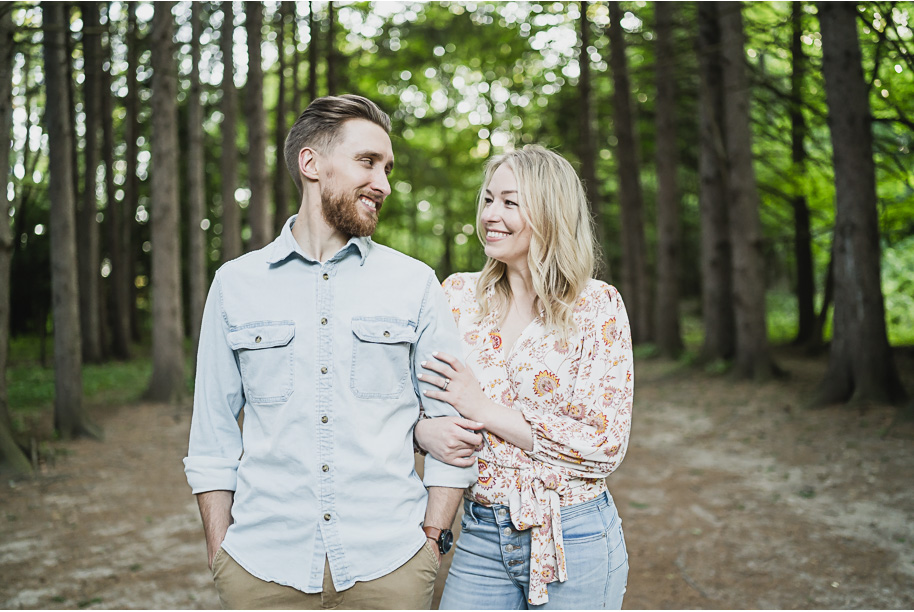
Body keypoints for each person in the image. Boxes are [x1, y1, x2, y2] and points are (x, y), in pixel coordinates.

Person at [183, 94, 482, 610]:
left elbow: (450, 427)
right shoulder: (235, 285)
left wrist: (431, 540)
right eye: (367, 162)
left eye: (387, 168)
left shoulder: (414, 284)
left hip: (391, 566)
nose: (384, 184)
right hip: (260, 569)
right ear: (311, 164)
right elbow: (211, 438)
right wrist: (221, 552)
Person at [414, 145, 633, 609]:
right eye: (488, 199)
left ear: (551, 213)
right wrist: (421, 431)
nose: (491, 214)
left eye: (510, 202)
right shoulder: (454, 298)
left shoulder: (596, 307)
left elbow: (603, 444)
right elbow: (412, 404)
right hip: (480, 533)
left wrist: (484, 410)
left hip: (574, 535)